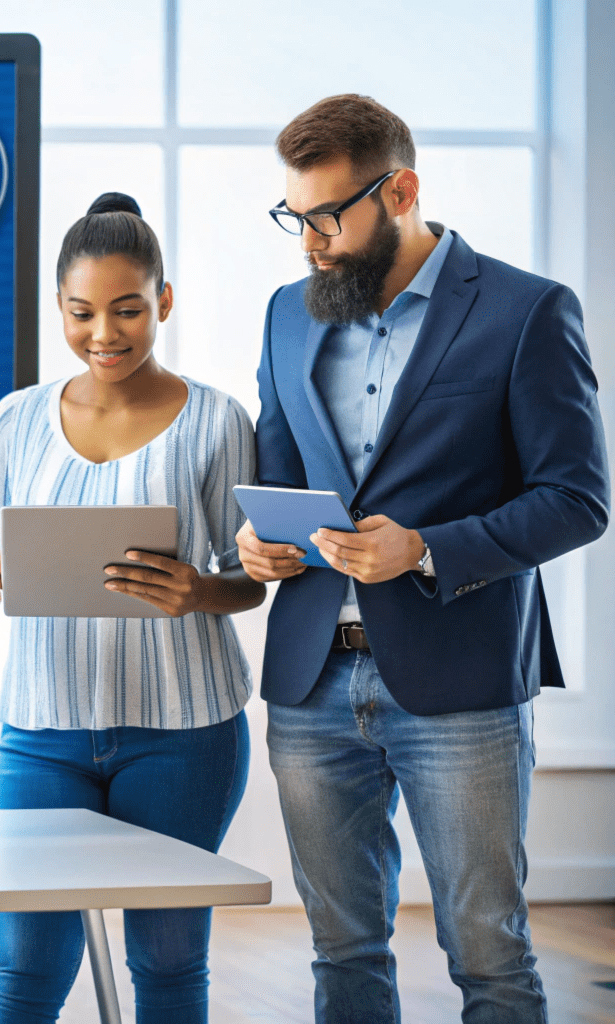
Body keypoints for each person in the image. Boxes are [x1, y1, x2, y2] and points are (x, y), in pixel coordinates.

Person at [237, 94, 608, 1023]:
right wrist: (256, 544)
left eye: (327, 217)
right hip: (311, 677)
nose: (310, 243)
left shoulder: (526, 311)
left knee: (489, 954)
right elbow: (277, 473)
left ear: (400, 190)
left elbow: (578, 500)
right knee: (342, 951)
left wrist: (426, 550)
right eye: (296, 217)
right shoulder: (287, 315)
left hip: (462, 683)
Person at [0, 193, 262, 1024]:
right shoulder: (14, 421)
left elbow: (254, 574)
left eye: (128, 310)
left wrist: (200, 589)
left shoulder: (218, 420)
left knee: (165, 965)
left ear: (163, 301)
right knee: (24, 969)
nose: (105, 334)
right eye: (83, 313)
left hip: (184, 733)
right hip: (42, 733)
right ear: (59, 306)